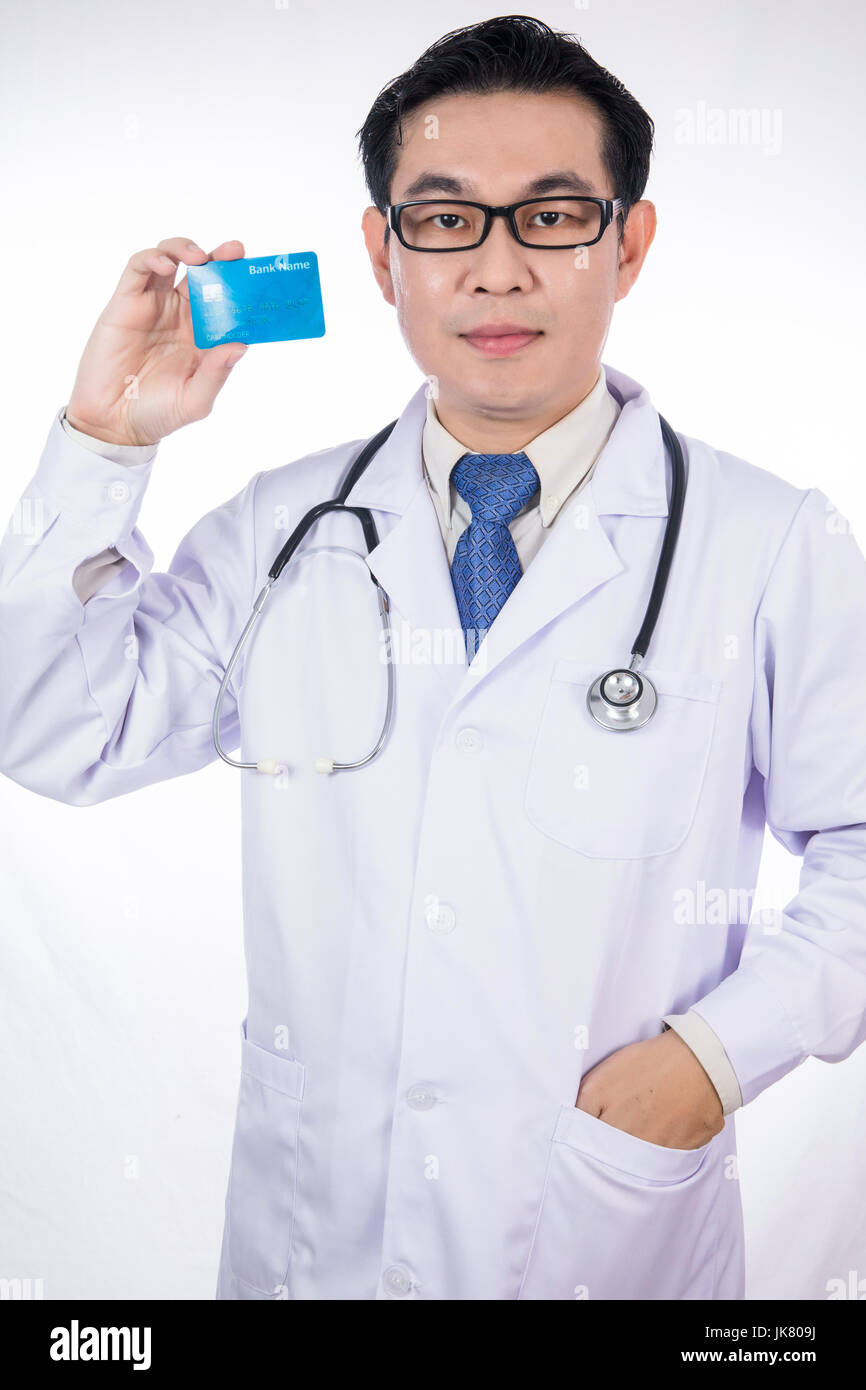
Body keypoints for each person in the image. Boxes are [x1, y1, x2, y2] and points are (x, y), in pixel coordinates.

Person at [1, 14, 865, 1301]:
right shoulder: (279, 530)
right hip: (314, 1239)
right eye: (446, 219)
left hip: (602, 1238)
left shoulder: (766, 540)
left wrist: (711, 1060)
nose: (499, 270)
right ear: (379, 252)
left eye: (555, 216)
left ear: (626, 245)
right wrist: (104, 442)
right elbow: (57, 727)